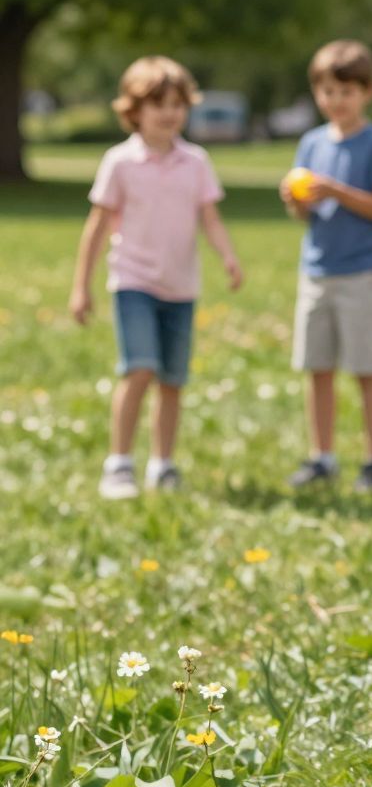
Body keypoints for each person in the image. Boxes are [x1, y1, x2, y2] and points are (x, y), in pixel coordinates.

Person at [69, 56, 243, 501]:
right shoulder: (120, 162)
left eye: (178, 104)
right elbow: (96, 226)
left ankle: (163, 464)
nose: (169, 113)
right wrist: (81, 285)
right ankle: (119, 463)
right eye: (158, 104)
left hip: (181, 286)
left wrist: (227, 257)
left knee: (172, 380)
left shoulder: (196, 161)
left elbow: (211, 218)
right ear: (134, 110)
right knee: (140, 368)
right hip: (133, 281)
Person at [280, 40, 372, 493]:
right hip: (316, 271)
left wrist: (335, 191)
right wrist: (295, 201)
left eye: (346, 92)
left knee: (366, 369)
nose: (336, 100)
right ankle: (323, 457)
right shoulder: (311, 143)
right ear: (317, 94)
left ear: (366, 92)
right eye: (328, 91)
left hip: (361, 275)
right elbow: (305, 213)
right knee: (318, 369)